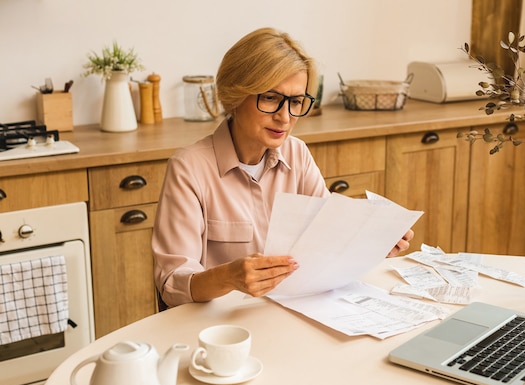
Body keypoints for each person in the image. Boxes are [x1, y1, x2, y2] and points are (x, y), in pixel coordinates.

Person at [152, 27, 413, 308]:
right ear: (236, 96)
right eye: (271, 98)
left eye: (296, 102)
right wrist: (229, 276)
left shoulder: (297, 154)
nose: (284, 117)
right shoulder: (189, 168)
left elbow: (329, 238)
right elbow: (172, 284)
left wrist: (373, 240)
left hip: (288, 312)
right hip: (221, 330)